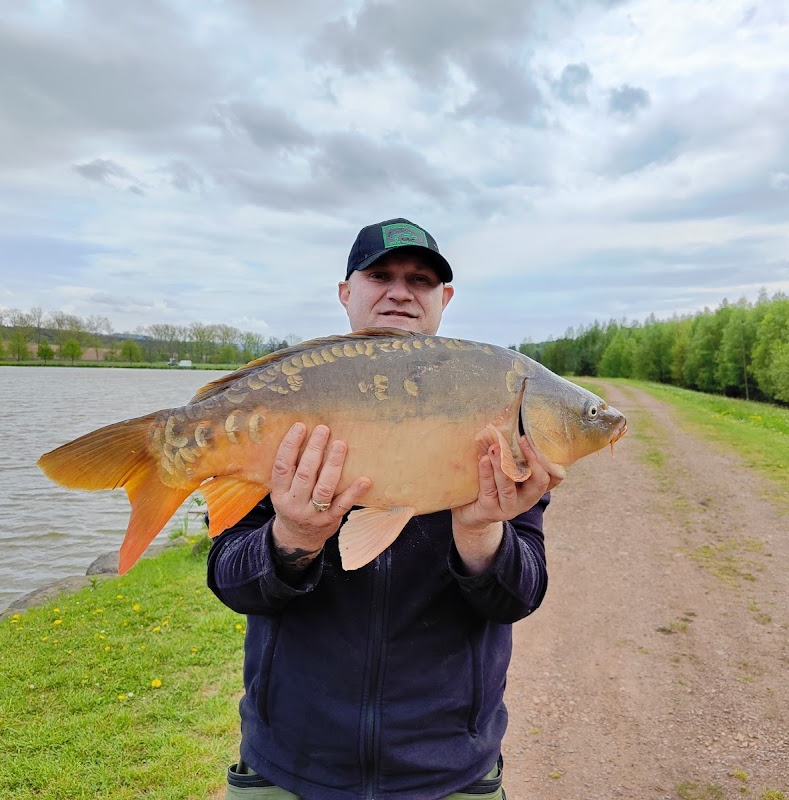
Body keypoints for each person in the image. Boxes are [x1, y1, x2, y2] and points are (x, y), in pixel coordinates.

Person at [207, 218, 562, 800]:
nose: (400, 291)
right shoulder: (293, 396)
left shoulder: (497, 417)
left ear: (443, 299)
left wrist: (478, 534)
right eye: (380, 275)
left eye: (420, 280)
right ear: (346, 291)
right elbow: (230, 582)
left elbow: (518, 597)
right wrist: (292, 538)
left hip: (448, 774)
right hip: (290, 768)